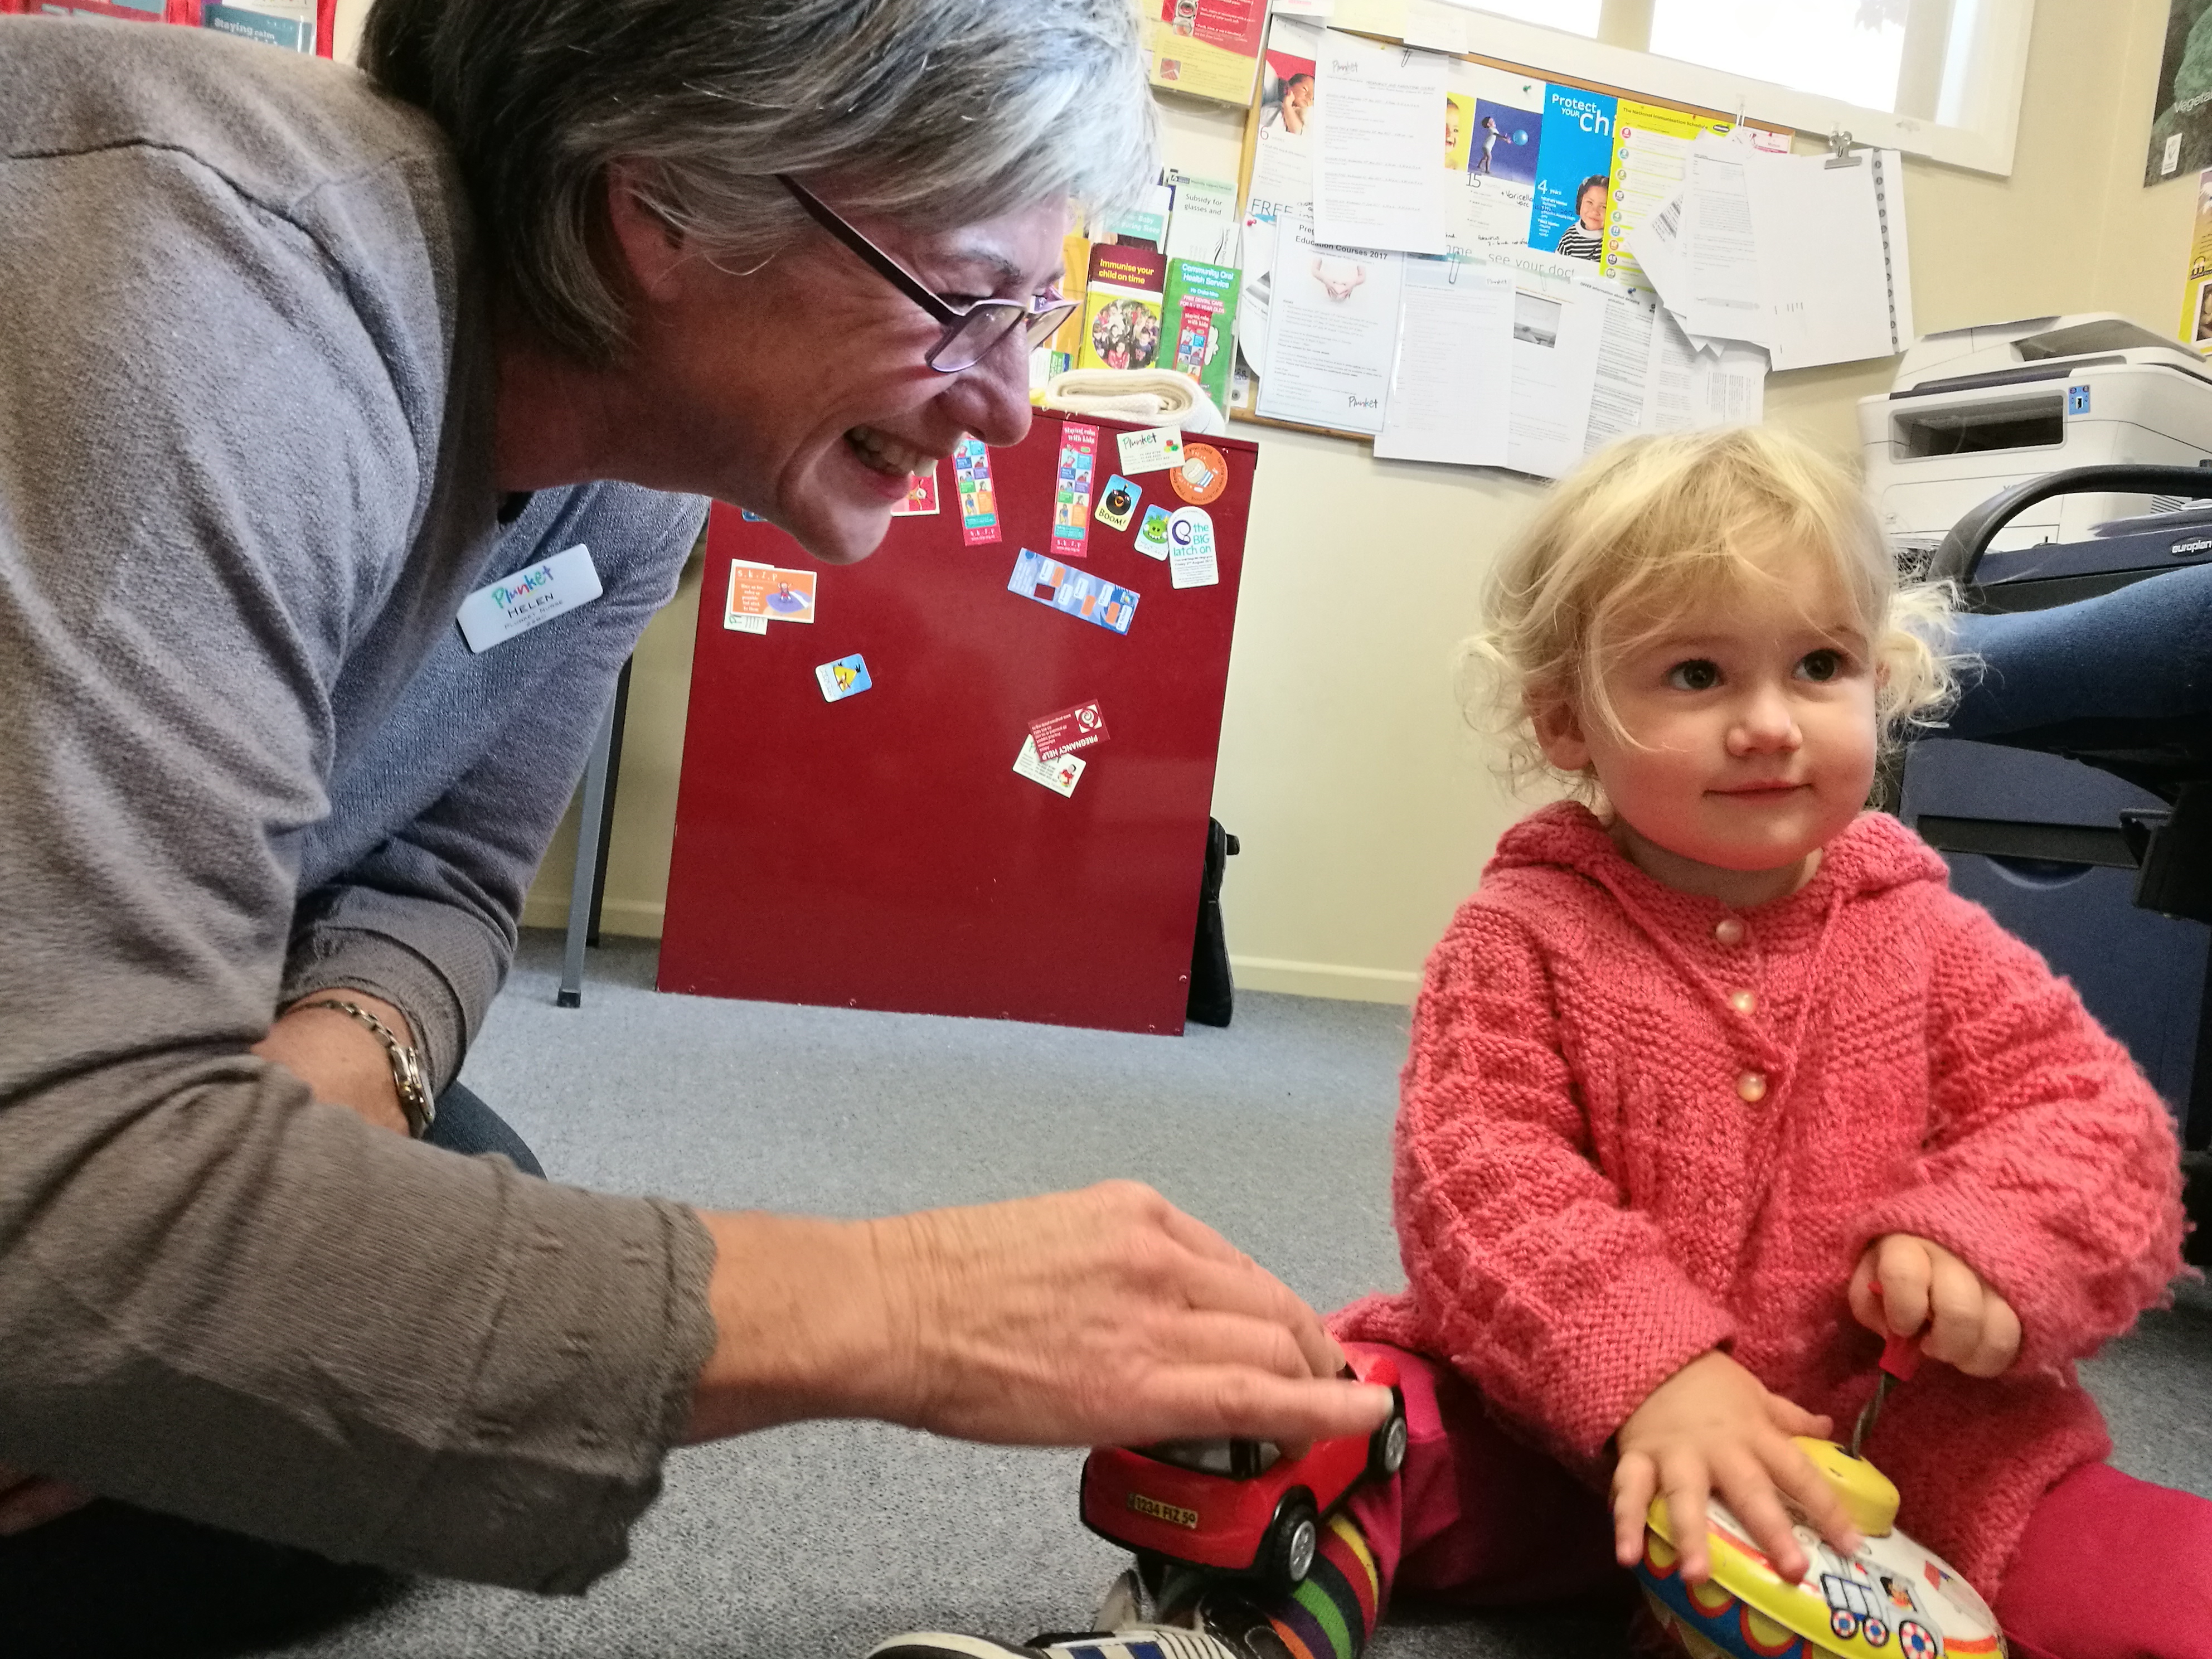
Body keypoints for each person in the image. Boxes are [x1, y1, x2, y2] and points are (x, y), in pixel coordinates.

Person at [0, 0, 1389, 1647]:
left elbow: (449, 870)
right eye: (966, 298)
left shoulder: (631, 475)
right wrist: (905, 1309)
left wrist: (319, 1091)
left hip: (118, 1012)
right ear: (660, 199)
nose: (1013, 401)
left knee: (412, 1266)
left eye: (1039, 310)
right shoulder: (221, 292)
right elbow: (50, 1174)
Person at [882, 428, 2205, 1659]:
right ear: (1566, 721)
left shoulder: (1922, 930)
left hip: (1890, 1447)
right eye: (1695, 674)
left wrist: (1984, 1241)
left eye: (1818, 665)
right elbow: (1480, 1185)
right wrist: (1652, 1373)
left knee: (2147, 1573)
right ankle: (1210, 1636)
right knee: (1329, 1421)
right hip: (1547, 1445)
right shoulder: (1522, 934)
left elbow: (2097, 1126)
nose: (1765, 720)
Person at [1555, 173, 1607, 260]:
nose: (1595, 211)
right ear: (1580, 201)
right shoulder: (1570, 237)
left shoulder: (1613, 239)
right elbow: (1556, 263)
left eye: (1604, 207)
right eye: (1590, 202)